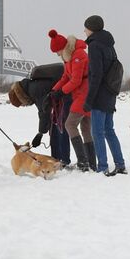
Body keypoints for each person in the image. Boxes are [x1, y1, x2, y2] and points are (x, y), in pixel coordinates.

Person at [82, 15, 126, 175]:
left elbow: (96, 74)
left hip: (100, 94)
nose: (84, 31)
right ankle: (120, 164)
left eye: (85, 28)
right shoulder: (109, 44)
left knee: (97, 132)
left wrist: (89, 99)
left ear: (91, 28)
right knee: (109, 130)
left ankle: (102, 167)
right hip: (110, 92)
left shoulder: (94, 45)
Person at [49, 29, 93, 171]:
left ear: (63, 48)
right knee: (85, 127)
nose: (58, 55)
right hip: (80, 95)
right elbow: (65, 78)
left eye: (58, 52)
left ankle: (83, 161)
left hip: (84, 95)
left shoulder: (78, 56)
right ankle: (90, 162)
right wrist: (54, 91)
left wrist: (61, 92)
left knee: (69, 124)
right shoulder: (69, 58)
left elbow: (76, 80)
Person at [8, 61, 65, 159]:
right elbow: (43, 110)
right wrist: (41, 132)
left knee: (58, 130)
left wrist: (40, 134)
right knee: (56, 128)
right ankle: (58, 158)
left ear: (20, 98)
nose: (24, 105)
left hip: (65, 99)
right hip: (61, 101)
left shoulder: (34, 90)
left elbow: (44, 111)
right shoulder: (32, 87)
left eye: (21, 104)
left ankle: (61, 159)